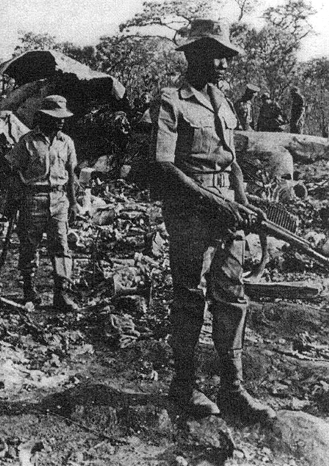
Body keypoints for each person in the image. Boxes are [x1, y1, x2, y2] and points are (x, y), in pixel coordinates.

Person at [152, 19, 276, 424]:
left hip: (228, 215)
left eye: (227, 55)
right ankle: (184, 385)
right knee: (189, 299)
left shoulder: (223, 101)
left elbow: (233, 161)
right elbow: (164, 166)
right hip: (190, 214)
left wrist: (243, 204)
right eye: (216, 54)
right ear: (193, 54)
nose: (225, 62)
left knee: (232, 298)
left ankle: (233, 389)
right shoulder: (170, 100)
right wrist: (215, 202)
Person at [5, 95, 81, 312]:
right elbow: (14, 172)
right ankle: (29, 291)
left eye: (63, 118)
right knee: (29, 245)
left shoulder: (66, 142)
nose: (61, 121)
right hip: (33, 199)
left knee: (61, 246)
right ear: (44, 117)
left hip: (59, 200)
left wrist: (74, 203)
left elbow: (71, 174)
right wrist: (13, 200)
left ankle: (61, 294)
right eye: (56, 117)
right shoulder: (28, 141)